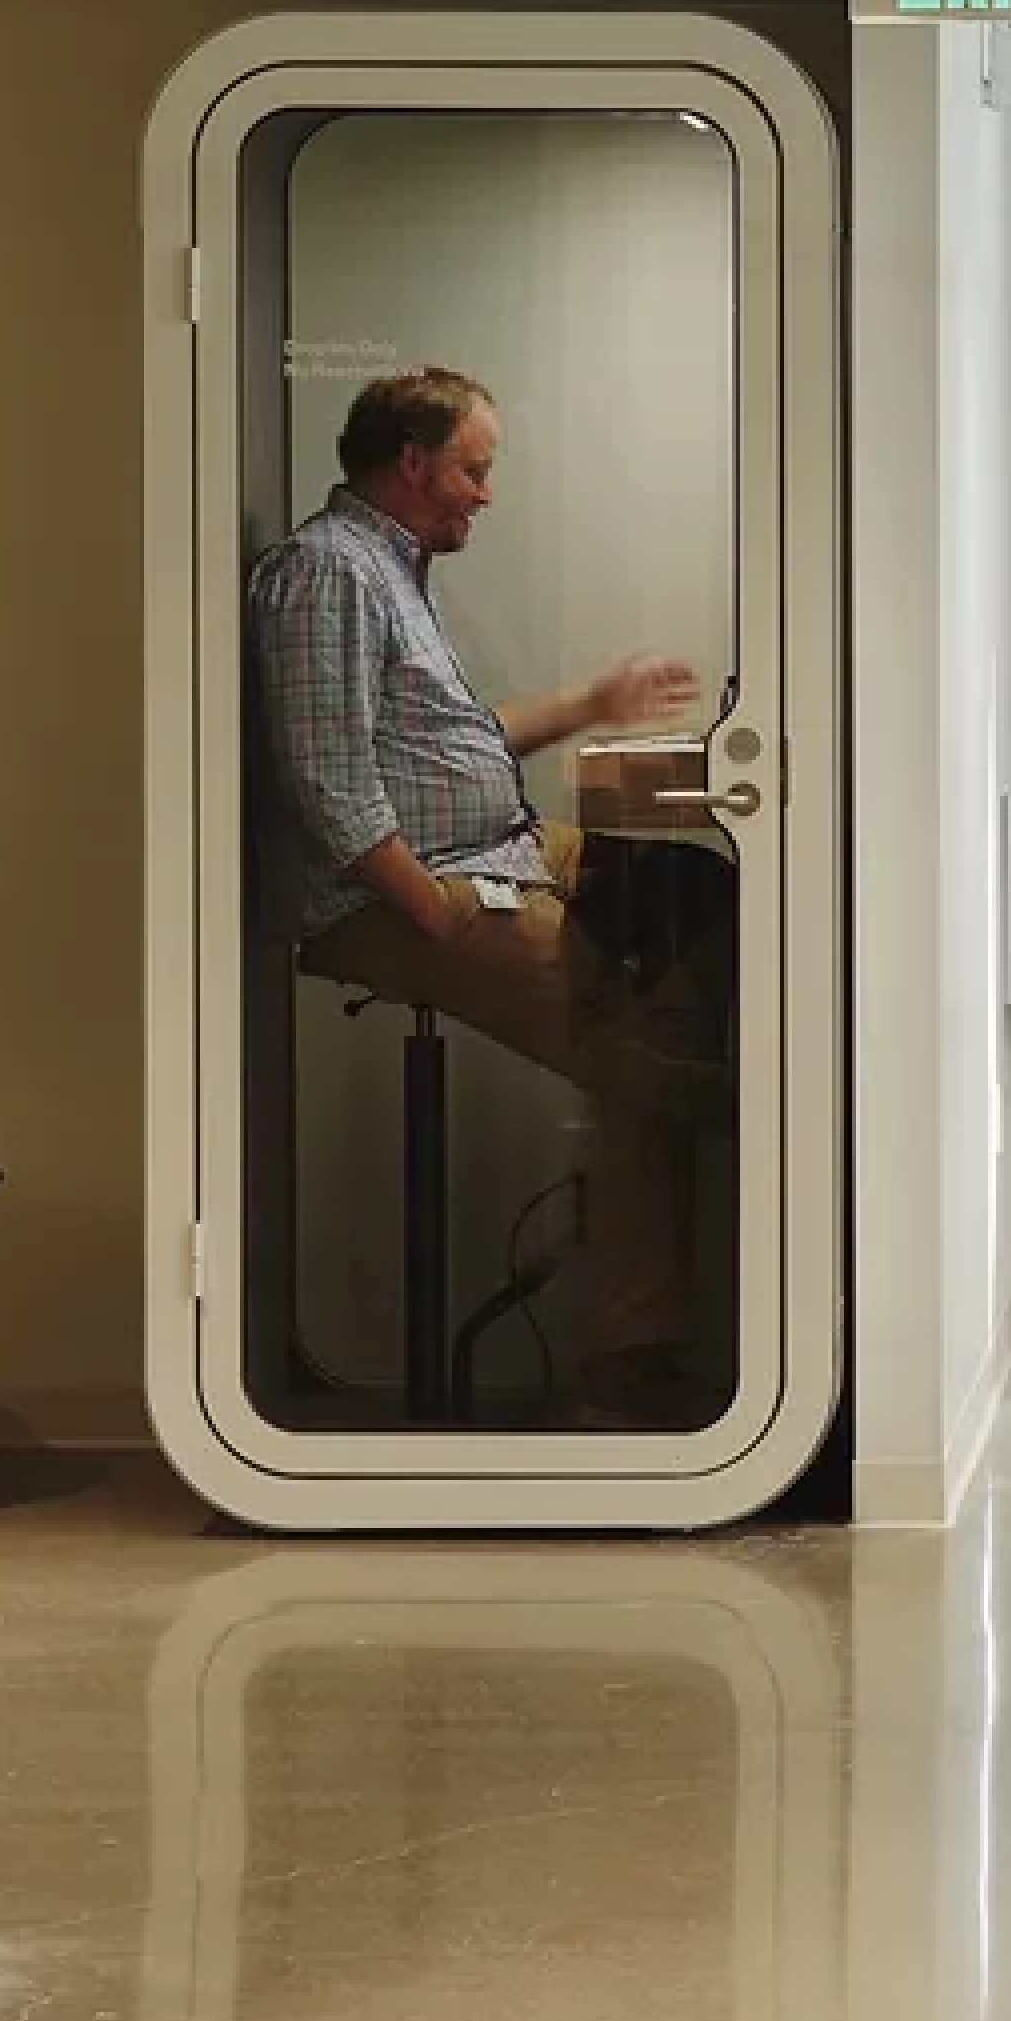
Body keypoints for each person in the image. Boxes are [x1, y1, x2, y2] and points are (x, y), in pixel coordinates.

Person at [248, 366, 710, 1426]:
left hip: (496, 846)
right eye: (475, 468)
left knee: (699, 906)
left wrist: (595, 703)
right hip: (415, 892)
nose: (485, 494)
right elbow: (327, 779)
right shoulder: (328, 573)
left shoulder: (390, 568)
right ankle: (632, 1365)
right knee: (652, 1054)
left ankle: (652, 1325)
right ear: (412, 462)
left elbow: (444, 747)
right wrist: (436, 912)